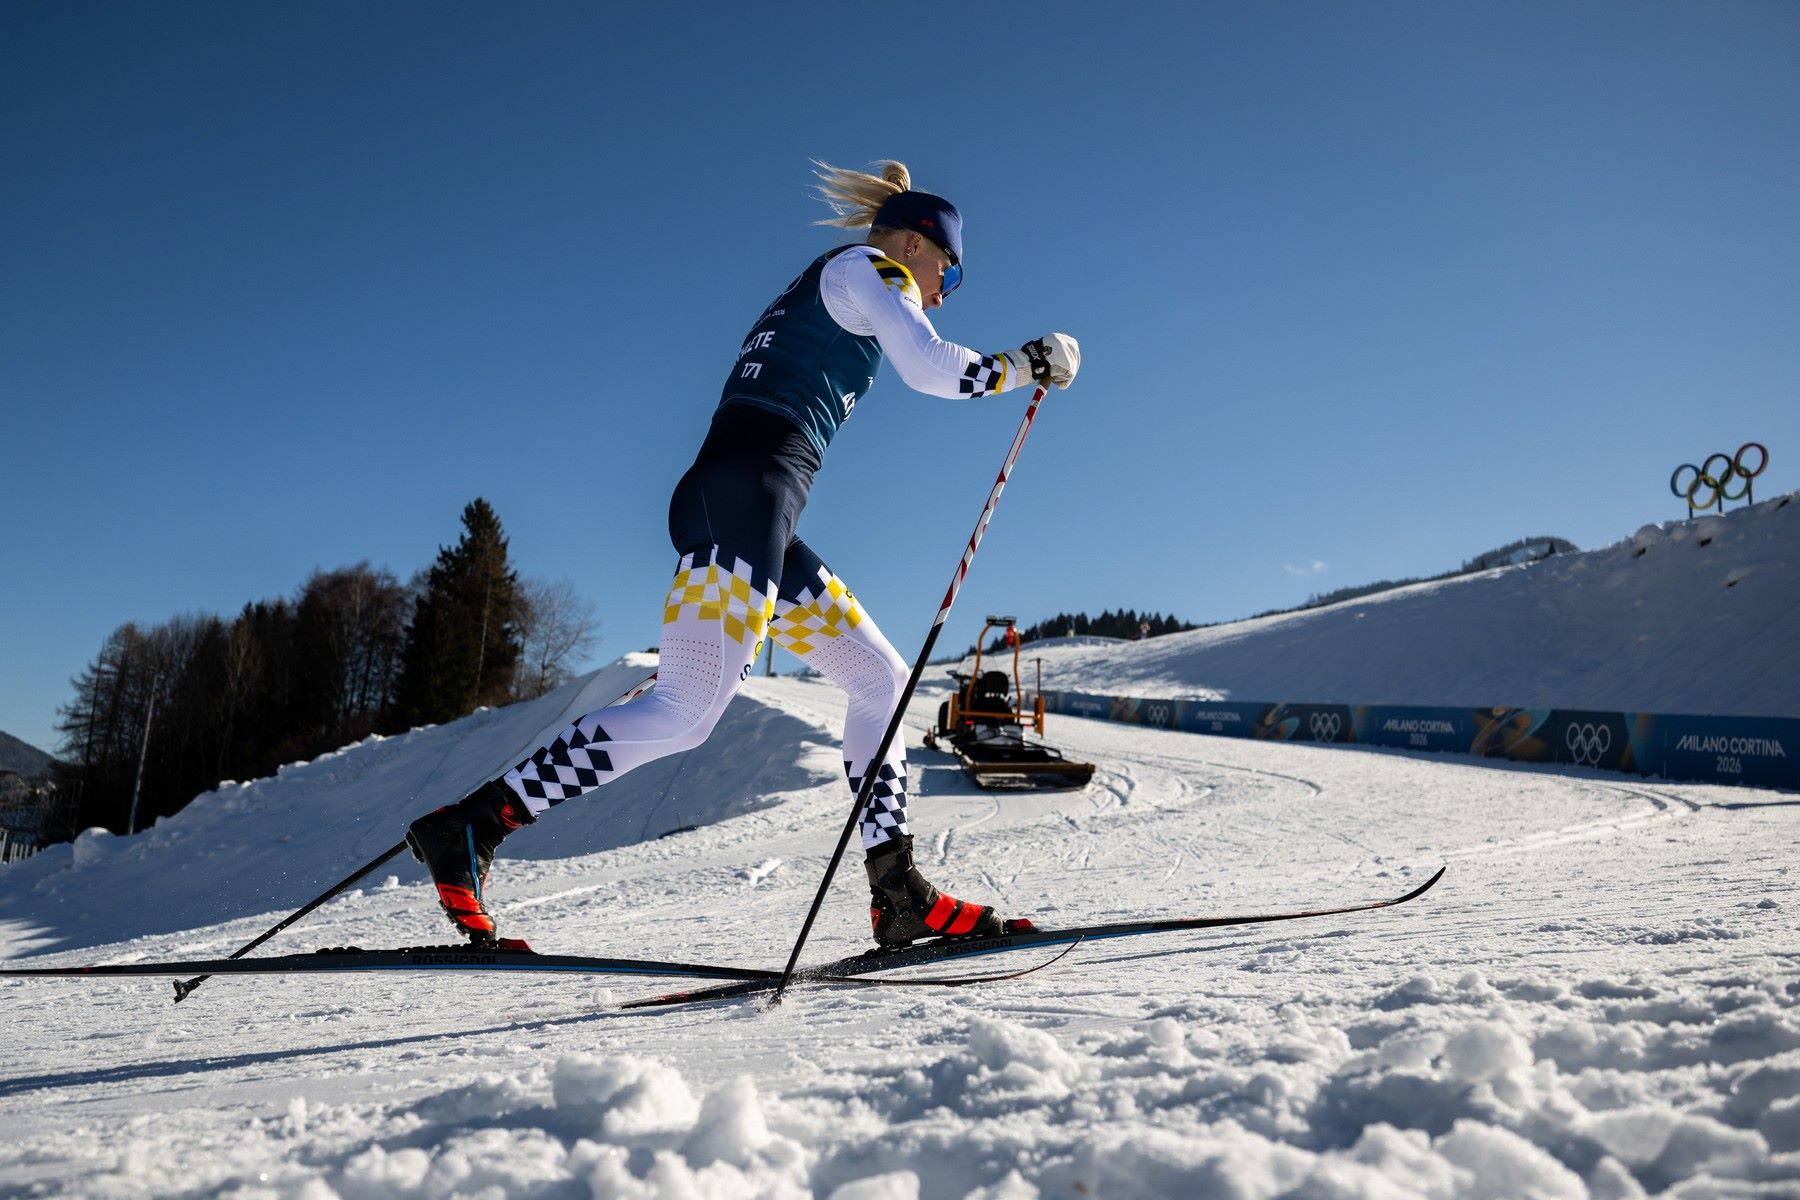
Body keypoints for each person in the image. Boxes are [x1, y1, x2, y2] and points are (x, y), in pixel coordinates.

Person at [405, 161, 1080, 949]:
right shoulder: (872, 267)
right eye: (949, 274)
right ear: (916, 242)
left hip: (752, 508)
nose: (940, 291)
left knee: (881, 682)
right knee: (686, 712)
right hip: (745, 499)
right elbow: (932, 368)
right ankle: (473, 827)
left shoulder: (842, 279)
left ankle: (896, 890)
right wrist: (1025, 364)